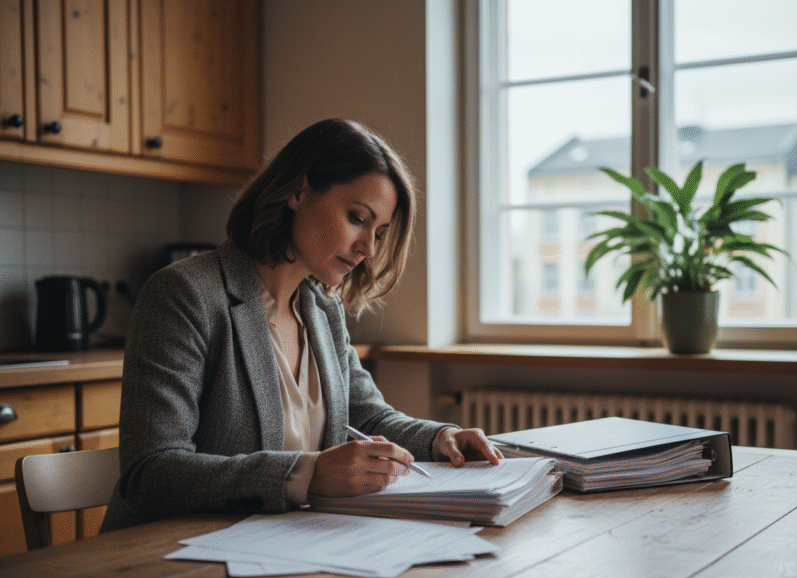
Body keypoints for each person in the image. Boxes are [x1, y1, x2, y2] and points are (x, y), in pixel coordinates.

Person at [101, 118, 501, 532]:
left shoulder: (322, 311)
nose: (367, 248)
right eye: (356, 218)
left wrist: (441, 438)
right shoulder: (185, 295)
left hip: (278, 550)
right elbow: (149, 473)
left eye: (379, 232)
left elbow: (369, 418)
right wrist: (307, 474)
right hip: (169, 558)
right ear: (298, 191)